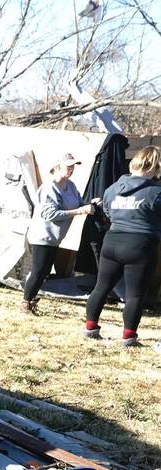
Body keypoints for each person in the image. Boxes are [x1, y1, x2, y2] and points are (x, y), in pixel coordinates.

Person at [84, 145, 161, 347]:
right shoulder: (156, 192)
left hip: (112, 241)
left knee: (101, 287)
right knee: (135, 294)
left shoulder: (113, 188)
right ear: (155, 166)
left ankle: (90, 328)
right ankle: (128, 337)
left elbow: (107, 211)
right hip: (140, 245)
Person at [23, 152, 97, 314]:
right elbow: (50, 214)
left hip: (55, 238)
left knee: (45, 271)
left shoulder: (70, 186)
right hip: (42, 236)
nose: (71, 169)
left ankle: (31, 299)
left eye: (73, 166)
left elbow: (79, 202)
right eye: (68, 166)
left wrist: (90, 204)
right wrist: (79, 211)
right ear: (57, 166)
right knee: (39, 270)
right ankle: (26, 303)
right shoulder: (49, 188)